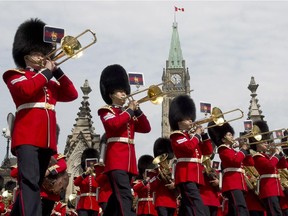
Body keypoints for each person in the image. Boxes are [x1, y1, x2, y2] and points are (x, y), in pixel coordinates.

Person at [2, 18, 78, 216]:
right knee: (29, 183)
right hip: (26, 137)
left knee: (34, 184)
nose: (43, 56)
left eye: (43, 52)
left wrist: (58, 71)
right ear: (26, 55)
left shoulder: (48, 82)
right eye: (38, 53)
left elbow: (72, 94)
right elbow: (26, 91)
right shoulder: (15, 75)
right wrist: (46, 72)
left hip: (46, 140)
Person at [98, 64, 151, 216]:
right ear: (111, 94)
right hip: (116, 161)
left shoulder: (127, 113)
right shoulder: (106, 111)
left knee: (117, 198)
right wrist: (129, 110)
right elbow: (113, 124)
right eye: (120, 91)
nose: (124, 94)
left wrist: (138, 110)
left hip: (129, 162)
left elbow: (146, 128)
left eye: (124, 91)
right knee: (125, 195)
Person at [168, 95, 213, 216]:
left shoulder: (191, 137)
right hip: (186, 174)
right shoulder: (176, 136)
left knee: (188, 207)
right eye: (187, 119)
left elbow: (208, 151)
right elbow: (188, 148)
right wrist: (197, 135)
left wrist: (204, 136)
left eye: (190, 118)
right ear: (179, 120)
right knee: (197, 205)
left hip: (195, 174)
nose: (191, 121)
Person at [208, 121, 249, 216]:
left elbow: (250, 163)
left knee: (235, 210)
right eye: (229, 135)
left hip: (239, 183)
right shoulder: (223, 149)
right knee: (240, 208)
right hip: (232, 183)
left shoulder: (232, 150)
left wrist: (247, 150)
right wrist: (242, 150)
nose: (232, 137)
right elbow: (235, 161)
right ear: (223, 139)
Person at [249, 120, 286, 216]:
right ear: (257, 143)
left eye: (267, 141)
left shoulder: (268, 156)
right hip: (268, 189)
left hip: (275, 189)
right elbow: (269, 167)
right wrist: (276, 155)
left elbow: (283, 165)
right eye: (264, 141)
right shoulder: (257, 156)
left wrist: (279, 153)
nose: (266, 143)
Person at [148, 138, 177, 216]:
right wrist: (159, 177)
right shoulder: (154, 172)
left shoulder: (173, 170)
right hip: (161, 201)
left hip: (172, 201)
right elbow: (152, 186)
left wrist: (174, 185)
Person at [74, 148, 100, 216]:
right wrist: (85, 174)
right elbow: (76, 183)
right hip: (83, 205)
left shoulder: (96, 177)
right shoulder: (82, 176)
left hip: (95, 205)